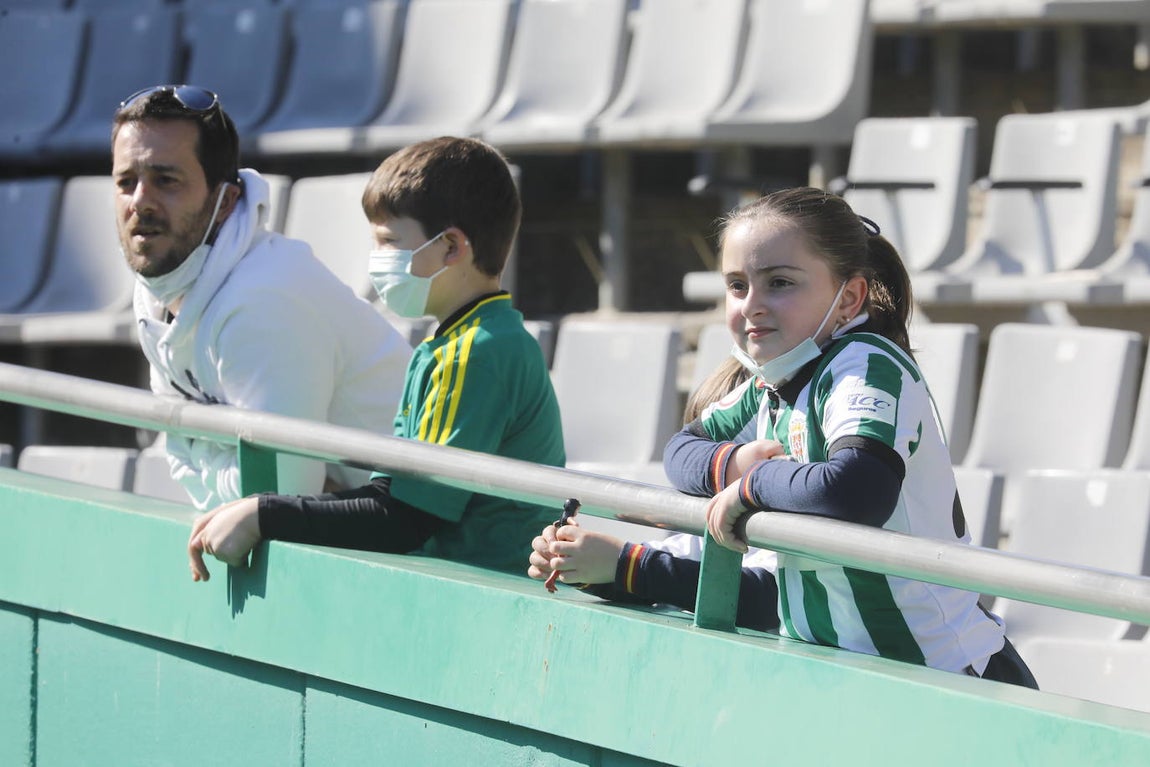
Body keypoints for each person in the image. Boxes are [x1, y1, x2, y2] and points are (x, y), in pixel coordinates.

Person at [530, 187, 1037, 688]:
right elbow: (681, 451)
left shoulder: (866, 363)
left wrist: (753, 487)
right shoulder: (773, 382)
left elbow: (856, 489)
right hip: (855, 678)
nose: (752, 305)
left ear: (850, 297)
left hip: (950, 677)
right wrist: (733, 469)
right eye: (736, 285)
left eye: (779, 282)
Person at [187, 136, 566, 580]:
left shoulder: (476, 352)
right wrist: (257, 508)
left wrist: (266, 515)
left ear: (451, 247)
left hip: (492, 594)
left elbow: (403, 520)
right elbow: (391, 491)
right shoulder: (456, 341)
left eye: (389, 242)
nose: (376, 261)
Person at [113, 84, 411, 509]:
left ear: (225, 201)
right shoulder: (157, 290)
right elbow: (180, 458)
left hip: (438, 548)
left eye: (166, 180)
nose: (140, 202)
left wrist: (205, 449)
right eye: (126, 182)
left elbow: (279, 499)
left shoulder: (263, 301)